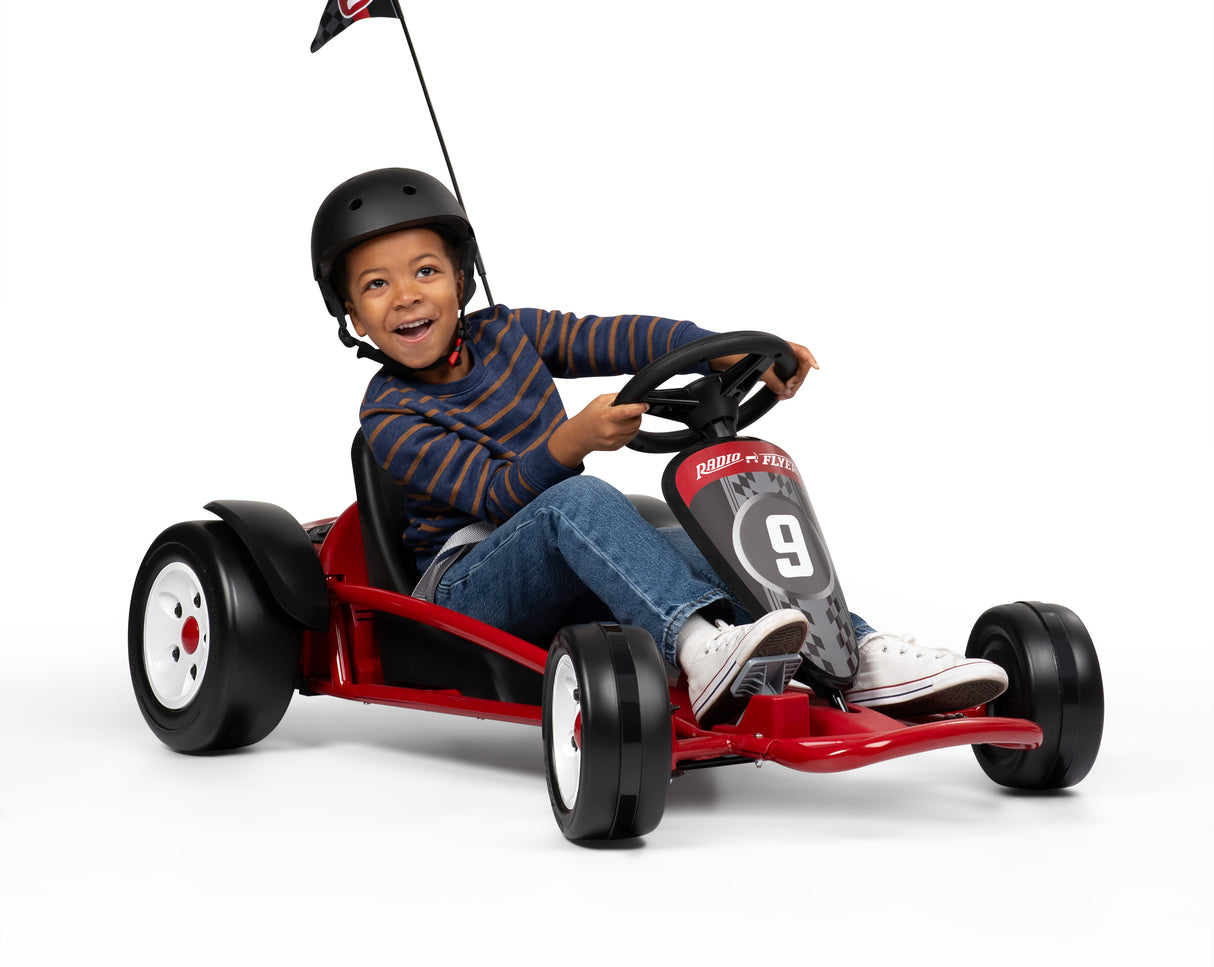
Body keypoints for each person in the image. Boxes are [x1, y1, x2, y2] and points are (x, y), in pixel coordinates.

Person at [311, 168, 1008, 725]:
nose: (405, 295)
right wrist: (571, 440)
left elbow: (620, 336)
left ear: (461, 280)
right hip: (463, 590)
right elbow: (493, 495)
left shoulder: (510, 332)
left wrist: (721, 355)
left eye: (425, 271)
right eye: (376, 285)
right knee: (578, 497)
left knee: (704, 535)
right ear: (351, 315)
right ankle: (701, 651)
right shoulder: (390, 413)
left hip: (557, 548)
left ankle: (856, 651)